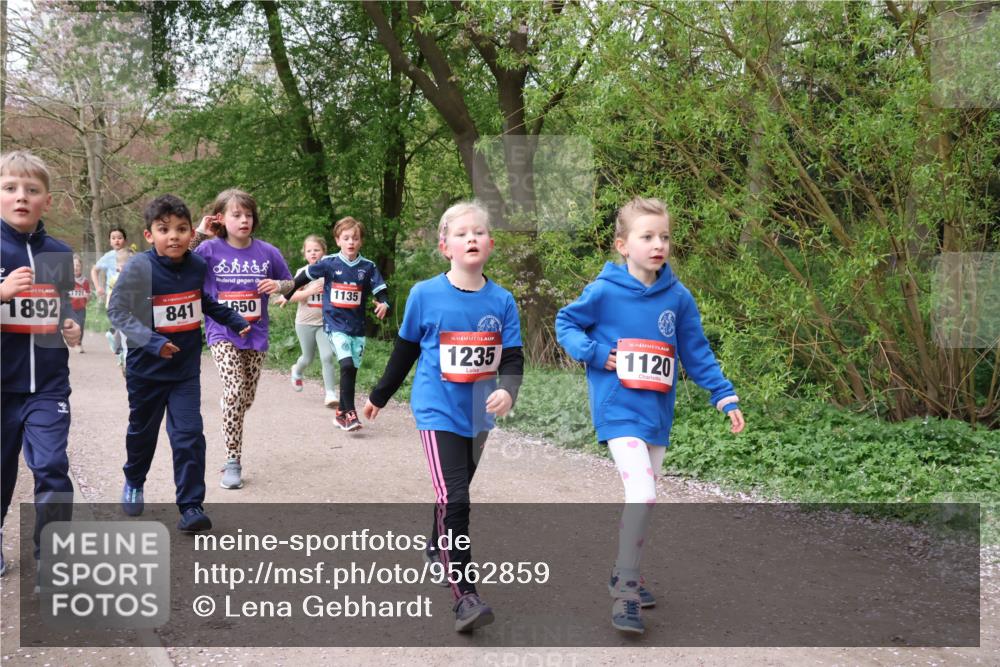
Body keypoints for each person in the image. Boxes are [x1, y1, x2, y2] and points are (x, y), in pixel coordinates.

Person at [555, 197, 746, 634]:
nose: (658, 244)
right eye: (647, 236)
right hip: (617, 409)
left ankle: (627, 570)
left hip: (656, 414)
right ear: (623, 245)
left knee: (644, 499)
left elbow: (696, 352)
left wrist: (724, 395)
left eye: (664, 236)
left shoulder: (678, 298)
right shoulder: (604, 291)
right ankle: (625, 592)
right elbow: (566, 323)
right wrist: (598, 353)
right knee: (642, 492)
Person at [362, 201, 524, 632]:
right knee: (457, 497)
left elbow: (512, 359)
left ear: (490, 243)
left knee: (454, 490)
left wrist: (507, 390)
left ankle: (436, 546)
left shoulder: (503, 301)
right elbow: (406, 350)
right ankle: (465, 595)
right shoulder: (424, 295)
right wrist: (380, 394)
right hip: (436, 410)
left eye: (479, 232)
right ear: (444, 246)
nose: (471, 238)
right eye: (461, 233)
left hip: (478, 413)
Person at [108, 194, 250, 533]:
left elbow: (202, 302)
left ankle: (190, 506)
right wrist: (155, 343)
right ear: (149, 235)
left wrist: (232, 318)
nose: (173, 236)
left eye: (181, 229)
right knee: (143, 433)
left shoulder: (197, 266)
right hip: (146, 371)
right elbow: (117, 311)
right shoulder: (140, 267)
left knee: (188, 436)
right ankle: (134, 478)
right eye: (164, 229)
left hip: (184, 372)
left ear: (191, 234)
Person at [0, 150, 83, 576]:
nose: (21, 197)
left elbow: (66, 305)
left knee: (51, 466)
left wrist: (72, 324)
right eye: (10, 188)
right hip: (2, 387)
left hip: (49, 385)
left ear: (46, 201)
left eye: (31, 190)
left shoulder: (58, 252)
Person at [191, 189, 292, 489]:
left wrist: (277, 284)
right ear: (221, 218)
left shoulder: (267, 252)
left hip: (256, 334)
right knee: (235, 390)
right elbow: (178, 261)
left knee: (244, 398)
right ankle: (232, 460)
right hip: (221, 332)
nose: (244, 220)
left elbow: (290, 285)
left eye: (248, 214)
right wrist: (198, 232)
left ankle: (230, 405)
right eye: (236, 215)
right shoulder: (208, 250)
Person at [286, 217, 388, 431]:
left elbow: (380, 289)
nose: (351, 242)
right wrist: (288, 292)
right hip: (334, 325)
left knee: (351, 370)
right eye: (346, 238)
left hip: (357, 328)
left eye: (355, 238)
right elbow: (304, 276)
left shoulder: (367, 267)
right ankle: (350, 414)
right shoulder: (329, 263)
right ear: (338, 240)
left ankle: (341, 413)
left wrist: (384, 303)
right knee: (346, 364)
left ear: (361, 242)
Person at [280, 234, 339, 407]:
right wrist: (309, 291)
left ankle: (330, 394)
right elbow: (292, 295)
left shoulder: (331, 272)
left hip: (325, 323)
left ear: (324, 253)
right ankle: (297, 370)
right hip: (304, 323)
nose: (313, 253)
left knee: (327, 357)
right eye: (309, 251)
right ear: (304, 254)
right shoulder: (302, 273)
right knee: (307, 358)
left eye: (317, 250)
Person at [91, 226, 128, 355]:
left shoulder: (130, 255)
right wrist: (98, 287)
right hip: (112, 295)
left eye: (119, 238)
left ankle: (118, 345)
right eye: (113, 238)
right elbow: (94, 270)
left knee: (125, 322)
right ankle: (118, 344)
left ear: (125, 239)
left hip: (129, 295)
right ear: (110, 241)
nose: (117, 240)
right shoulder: (108, 256)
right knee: (119, 321)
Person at [69, 253, 92, 353]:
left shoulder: (85, 281)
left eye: (77, 266)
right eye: (73, 266)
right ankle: (71, 341)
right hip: (69, 308)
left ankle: (79, 343)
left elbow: (88, 294)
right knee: (71, 326)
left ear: (81, 267)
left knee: (81, 325)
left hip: (81, 308)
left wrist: (87, 296)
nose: (75, 268)